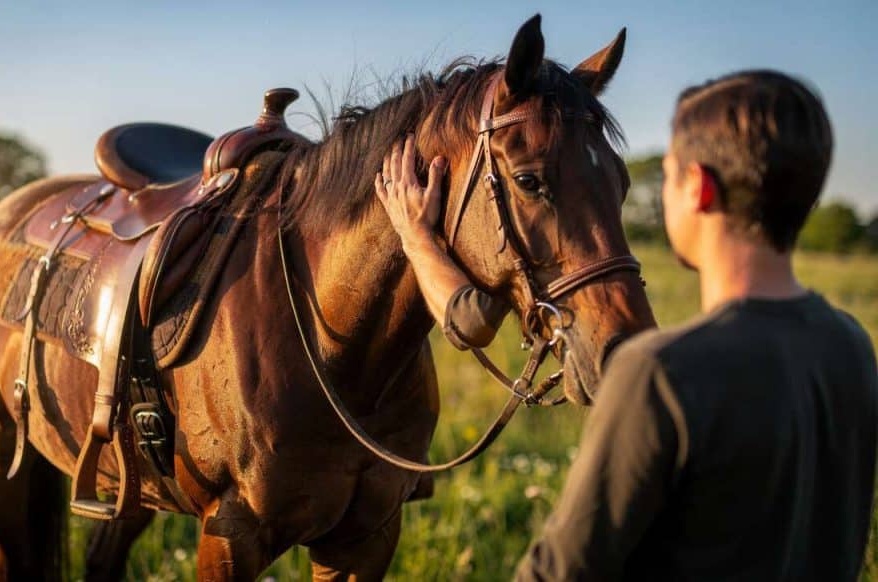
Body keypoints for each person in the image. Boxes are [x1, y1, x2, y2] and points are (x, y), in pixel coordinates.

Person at [374, 70, 878, 581]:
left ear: (697, 189)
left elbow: (556, 574)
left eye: (670, 175)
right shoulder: (852, 346)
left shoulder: (658, 375)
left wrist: (416, 237)